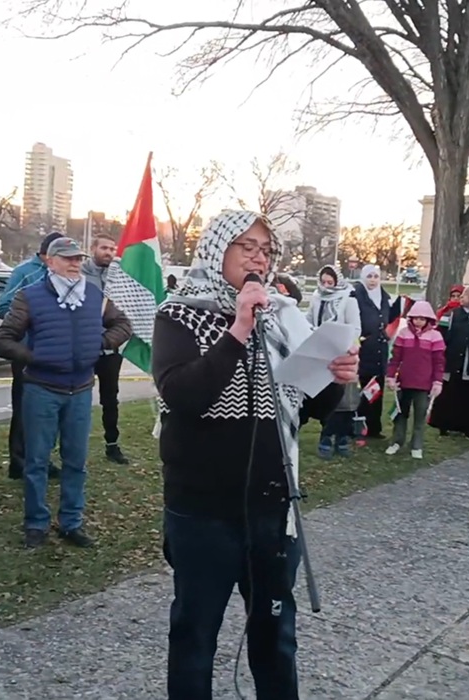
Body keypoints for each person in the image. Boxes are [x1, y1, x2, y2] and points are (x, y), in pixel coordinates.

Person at [150, 209, 358, 699]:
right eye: (246, 247)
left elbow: (309, 403)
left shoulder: (283, 315)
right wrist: (239, 328)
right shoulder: (177, 315)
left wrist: (336, 377)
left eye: (265, 250)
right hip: (203, 509)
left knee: (275, 635)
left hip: (270, 505)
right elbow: (183, 395)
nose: (258, 258)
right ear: (216, 251)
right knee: (195, 634)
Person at [0, 237, 133, 549]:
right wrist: (34, 356)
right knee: (37, 461)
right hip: (41, 389)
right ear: (50, 261)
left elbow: (124, 324)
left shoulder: (93, 296)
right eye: (67, 258)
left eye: (78, 258)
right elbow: (3, 340)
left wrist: (100, 343)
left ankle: (71, 522)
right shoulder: (30, 296)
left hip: (80, 390)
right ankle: (36, 523)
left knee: (76, 461)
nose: (74, 264)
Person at [0, 231, 64, 480]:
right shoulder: (25, 272)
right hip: (27, 352)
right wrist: (33, 319)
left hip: (55, 352)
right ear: (47, 255)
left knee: (49, 410)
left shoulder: (63, 277)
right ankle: (19, 461)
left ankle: (42, 458)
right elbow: (4, 306)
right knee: (25, 407)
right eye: (62, 256)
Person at [81, 232, 130, 464]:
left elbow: (124, 316)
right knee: (78, 397)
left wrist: (109, 339)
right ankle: (73, 444)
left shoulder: (118, 277)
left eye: (112, 249)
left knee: (110, 399)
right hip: (83, 348)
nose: (109, 253)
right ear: (93, 248)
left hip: (109, 350)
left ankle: (112, 444)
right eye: (104, 248)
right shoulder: (80, 276)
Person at [307, 264, 362, 458]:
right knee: (323, 396)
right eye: (323, 282)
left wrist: (343, 343)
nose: (326, 286)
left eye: (330, 282)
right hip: (319, 351)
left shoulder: (348, 298)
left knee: (342, 399)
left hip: (340, 353)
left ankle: (339, 437)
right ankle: (325, 436)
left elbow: (355, 328)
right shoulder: (316, 296)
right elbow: (309, 319)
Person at [384, 300, 445, 458]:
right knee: (400, 414)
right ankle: (397, 441)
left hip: (424, 385)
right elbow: (395, 358)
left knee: (420, 415)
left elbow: (439, 362)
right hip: (403, 382)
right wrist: (390, 376)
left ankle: (417, 445)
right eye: (416, 318)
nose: (418, 321)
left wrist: (437, 382)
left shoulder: (435, 336)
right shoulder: (403, 334)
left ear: (428, 320)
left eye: (422, 319)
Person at [427, 285, 469, 439]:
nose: (461, 298)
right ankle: (443, 425)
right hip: (452, 360)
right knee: (448, 394)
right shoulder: (452, 314)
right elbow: (441, 334)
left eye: (465, 295)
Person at [351, 264, 395, 439]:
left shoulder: (384, 298)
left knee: (377, 389)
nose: (373, 280)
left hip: (379, 351)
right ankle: (357, 427)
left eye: (376, 276)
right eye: (369, 276)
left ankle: (374, 427)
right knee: (361, 389)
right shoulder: (355, 295)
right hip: (362, 350)